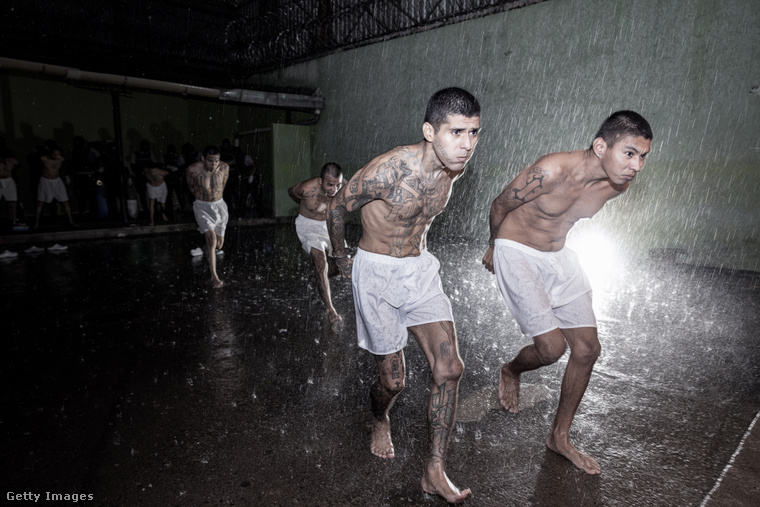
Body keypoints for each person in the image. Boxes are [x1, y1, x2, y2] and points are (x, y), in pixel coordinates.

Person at [327, 87, 481, 503]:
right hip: (375, 272)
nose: (467, 145)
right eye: (456, 132)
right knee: (393, 383)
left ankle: (435, 468)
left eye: (473, 133)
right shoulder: (389, 169)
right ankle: (378, 417)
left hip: (418, 269)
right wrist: (342, 260)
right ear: (429, 131)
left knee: (449, 367)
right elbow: (338, 206)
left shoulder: (454, 167)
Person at [481, 110, 653, 475]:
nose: (636, 166)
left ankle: (559, 437)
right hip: (517, 250)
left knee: (588, 349)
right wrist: (494, 246)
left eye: (643, 157)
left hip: (559, 256)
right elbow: (500, 205)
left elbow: (566, 218)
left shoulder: (618, 183)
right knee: (551, 349)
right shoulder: (552, 170)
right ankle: (511, 370)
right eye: (629, 153)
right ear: (600, 145)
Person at [288, 162, 345, 324]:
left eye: (337, 185)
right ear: (320, 181)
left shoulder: (343, 187)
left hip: (328, 224)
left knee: (340, 265)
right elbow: (291, 193)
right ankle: (330, 309)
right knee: (320, 262)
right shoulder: (306, 189)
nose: (333, 189)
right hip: (308, 224)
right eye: (329, 185)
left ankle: (321, 277)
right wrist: (306, 206)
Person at [187, 145, 229, 289]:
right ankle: (214, 276)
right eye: (210, 161)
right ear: (203, 159)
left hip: (219, 206)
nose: (214, 164)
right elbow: (191, 187)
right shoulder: (193, 169)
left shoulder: (224, 168)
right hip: (202, 206)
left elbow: (222, 185)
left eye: (217, 161)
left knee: (218, 245)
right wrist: (204, 198)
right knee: (211, 239)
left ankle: (206, 248)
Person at [34, 141, 77, 229]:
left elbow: (68, 165)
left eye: (58, 154)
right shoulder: (44, 159)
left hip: (57, 181)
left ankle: (71, 221)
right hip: (46, 181)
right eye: (55, 154)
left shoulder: (61, 159)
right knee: (41, 202)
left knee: (65, 202)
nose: (57, 156)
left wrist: (67, 176)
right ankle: (36, 223)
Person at [0, 147, 20, 227]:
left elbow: (17, 164)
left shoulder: (12, 161)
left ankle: (14, 219)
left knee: (13, 201)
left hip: (9, 181)